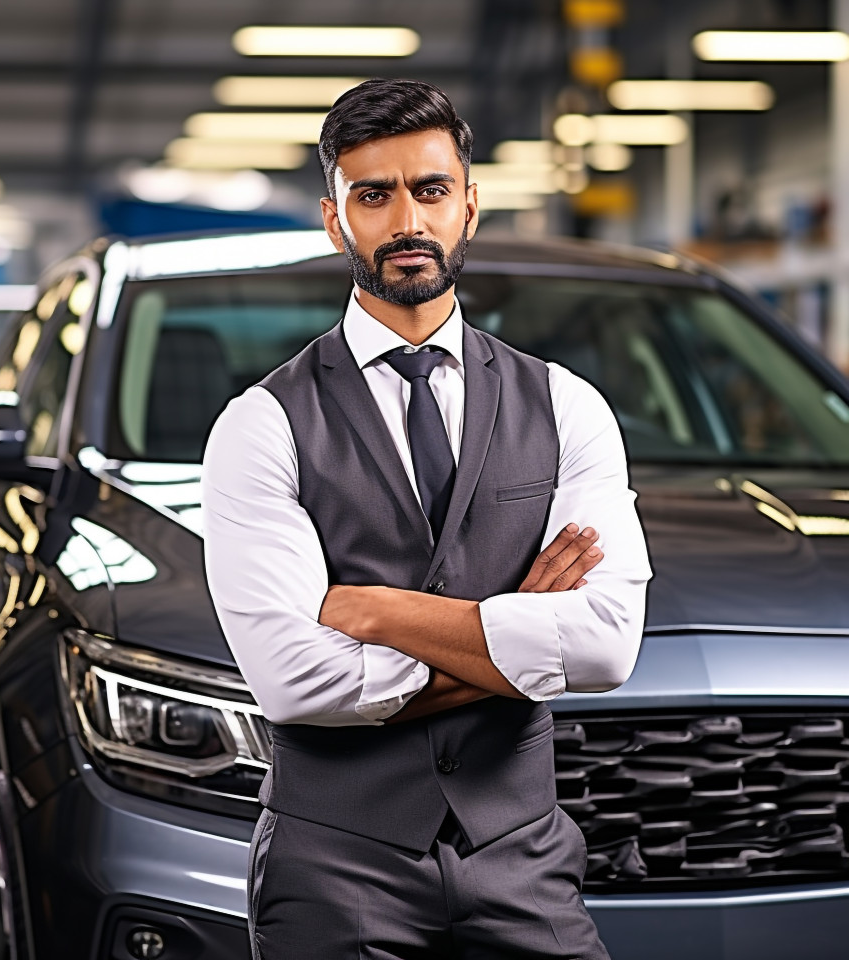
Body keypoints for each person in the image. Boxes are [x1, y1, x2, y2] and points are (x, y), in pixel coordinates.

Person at [202, 77, 652, 960]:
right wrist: (519, 632)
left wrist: (373, 610)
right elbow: (293, 682)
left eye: (430, 190)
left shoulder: (567, 406)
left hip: (521, 856)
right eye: (373, 195)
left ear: (469, 207)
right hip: (335, 865)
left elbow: (604, 644)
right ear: (335, 220)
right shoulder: (260, 424)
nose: (406, 219)